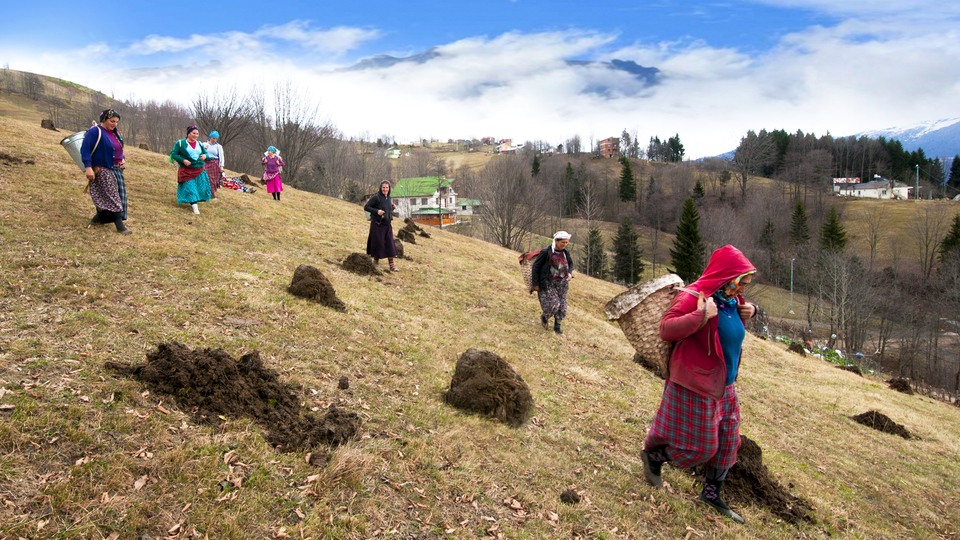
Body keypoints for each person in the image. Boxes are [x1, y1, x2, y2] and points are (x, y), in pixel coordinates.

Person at [640, 245, 759, 524]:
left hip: (725, 385)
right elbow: (667, 329)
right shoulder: (694, 295)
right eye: (740, 280)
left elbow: (732, 324)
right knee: (703, 447)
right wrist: (700, 316)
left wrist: (752, 311)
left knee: (730, 443)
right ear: (726, 276)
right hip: (695, 382)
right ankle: (655, 456)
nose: (742, 287)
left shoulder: (732, 300)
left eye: (746, 281)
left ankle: (710, 494)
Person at [80, 108, 131, 234]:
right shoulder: (94, 132)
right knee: (113, 198)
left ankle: (98, 219)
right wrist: (88, 168)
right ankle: (120, 227)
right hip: (102, 169)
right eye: (112, 121)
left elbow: (118, 149)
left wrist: (123, 159)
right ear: (104, 120)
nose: (114, 124)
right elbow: (85, 150)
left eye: (116, 122)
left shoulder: (115, 133)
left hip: (116, 170)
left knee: (117, 196)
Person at [531, 231, 574, 335]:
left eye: (566, 242)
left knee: (563, 307)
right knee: (554, 305)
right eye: (562, 242)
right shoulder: (546, 252)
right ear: (556, 241)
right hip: (549, 283)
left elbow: (570, 263)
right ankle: (544, 317)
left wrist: (569, 273)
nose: (564, 244)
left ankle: (557, 328)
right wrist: (535, 283)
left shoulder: (565, 252)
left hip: (562, 284)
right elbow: (536, 267)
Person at [169, 126, 211, 214]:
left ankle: (194, 201)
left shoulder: (199, 144)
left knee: (200, 189)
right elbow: (174, 154)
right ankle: (195, 209)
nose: (195, 135)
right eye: (193, 133)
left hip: (199, 170)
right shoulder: (180, 143)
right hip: (186, 170)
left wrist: (205, 156)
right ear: (188, 133)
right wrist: (183, 160)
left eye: (197, 134)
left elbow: (206, 154)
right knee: (190, 188)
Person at [364, 181, 399, 272]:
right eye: (383, 187)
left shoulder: (389, 198)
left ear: (389, 188)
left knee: (390, 243)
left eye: (387, 187)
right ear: (380, 188)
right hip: (377, 224)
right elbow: (366, 207)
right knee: (378, 243)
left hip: (387, 224)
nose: (385, 189)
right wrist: (377, 211)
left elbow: (386, 209)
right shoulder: (376, 197)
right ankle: (375, 262)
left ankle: (392, 265)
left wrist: (392, 208)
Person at [203, 131, 224, 200]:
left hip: (214, 163)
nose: (214, 140)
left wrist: (221, 166)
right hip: (206, 162)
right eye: (213, 138)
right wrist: (204, 148)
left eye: (216, 138)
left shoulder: (218, 146)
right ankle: (206, 192)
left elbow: (221, 156)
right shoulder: (204, 144)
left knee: (213, 179)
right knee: (206, 177)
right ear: (210, 137)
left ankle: (212, 193)